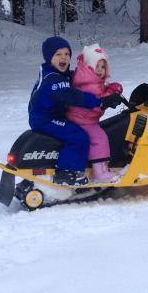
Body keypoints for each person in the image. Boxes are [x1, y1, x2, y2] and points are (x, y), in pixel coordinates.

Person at [28, 37, 118, 186]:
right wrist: (99, 101)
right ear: (49, 57)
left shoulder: (58, 73)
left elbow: (80, 79)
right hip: (45, 119)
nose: (63, 57)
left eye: (66, 54)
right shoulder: (52, 79)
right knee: (77, 135)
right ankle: (66, 172)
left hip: (55, 115)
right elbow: (73, 95)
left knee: (78, 131)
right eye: (58, 55)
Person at [67, 44, 124, 182]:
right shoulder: (88, 84)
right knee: (99, 138)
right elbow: (96, 104)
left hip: (84, 119)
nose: (100, 71)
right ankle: (101, 173)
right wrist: (109, 96)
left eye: (103, 67)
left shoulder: (88, 80)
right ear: (88, 66)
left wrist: (111, 89)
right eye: (96, 66)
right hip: (82, 120)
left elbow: (101, 94)